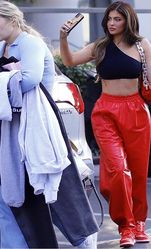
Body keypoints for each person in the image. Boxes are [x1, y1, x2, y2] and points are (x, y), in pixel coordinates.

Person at [60, 1, 151, 248]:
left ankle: (139, 223)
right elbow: (70, 60)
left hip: (136, 111)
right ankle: (125, 226)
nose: (111, 23)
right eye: (109, 19)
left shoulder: (141, 45)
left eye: (117, 19)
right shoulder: (100, 46)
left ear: (128, 21)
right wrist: (64, 37)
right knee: (117, 170)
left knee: (137, 172)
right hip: (106, 112)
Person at [0, 1, 98, 248]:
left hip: (38, 127)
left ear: (11, 19)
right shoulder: (3, 46)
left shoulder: (31, 43)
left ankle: (85, 239)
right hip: (10, 128)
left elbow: (30, 79)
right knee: (14, 193)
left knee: (57, 190)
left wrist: (4, 81)